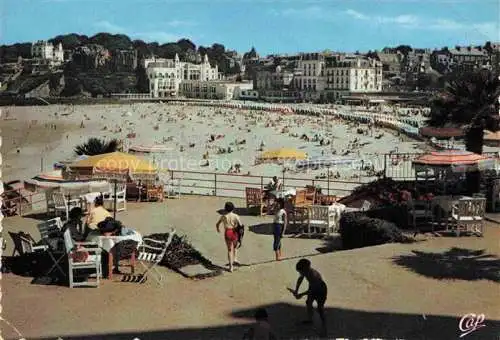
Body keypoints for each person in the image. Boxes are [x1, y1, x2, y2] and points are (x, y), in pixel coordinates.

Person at [293, 259, 328, 337]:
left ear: (305, 269)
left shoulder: (314, 275)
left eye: (300, 272)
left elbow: (311, 290)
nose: (300, 273)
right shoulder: (305, 272)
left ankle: (324, 328)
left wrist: (301, 294)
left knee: (320, 308)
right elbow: (300, 279)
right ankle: (310, 320)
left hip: (321, 290)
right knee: (308, 303)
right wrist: (296, 290)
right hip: (313, 287)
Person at [216, 202, 242, 272]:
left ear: (225, 208)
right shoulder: (236, 216)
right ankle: (235, 259)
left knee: (229, 250)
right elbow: (241, 225)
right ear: (233, 208)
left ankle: (231, 267)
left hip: (227, 232)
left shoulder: (223, 216)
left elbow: (217, 224)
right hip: (234, 232)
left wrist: (218, 229)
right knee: (235, 246)